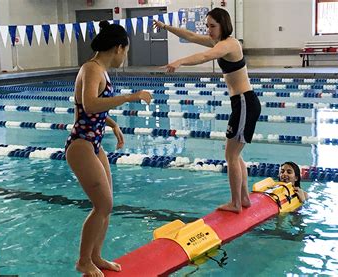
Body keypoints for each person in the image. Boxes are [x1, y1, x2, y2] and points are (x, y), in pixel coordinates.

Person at [65, 21, 152, 276]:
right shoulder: (92, 69)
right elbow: (90, 104)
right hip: (81, 145)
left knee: (107, 205)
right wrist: (130, 97)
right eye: (125, 51)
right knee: (102, 205)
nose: (124, 56)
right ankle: (83, 261)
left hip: (93, 142)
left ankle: (95, 256)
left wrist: (112, 124)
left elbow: (84, 108)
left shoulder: (99, 70)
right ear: (117, 48)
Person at [154, 8, 261, 213]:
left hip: (244, 102)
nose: (209, 30)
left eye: (213, 26)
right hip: (242, 103)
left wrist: (180, 61)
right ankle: (244, 199)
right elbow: (191, 36)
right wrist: (166, 27)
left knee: (231, 156)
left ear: (224, 25)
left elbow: (205, 56)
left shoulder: (229, 44)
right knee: (235, 155)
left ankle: (236, 203)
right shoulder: (219, 42)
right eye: (208, 26)